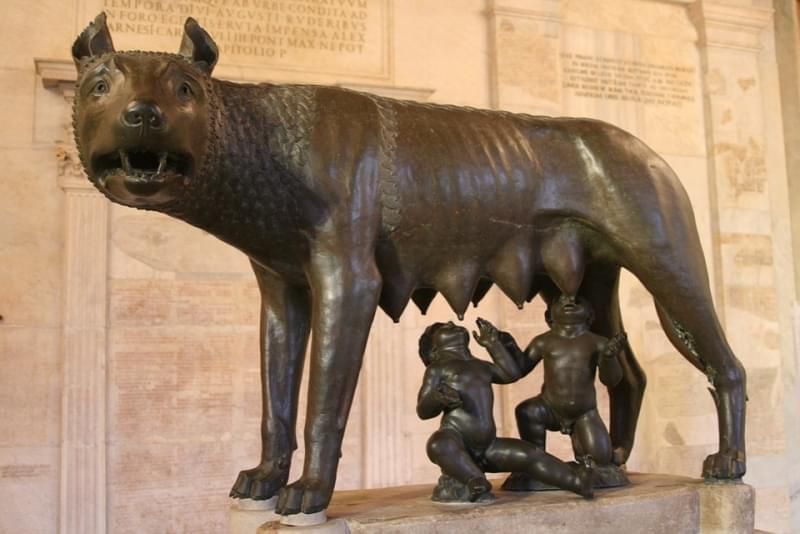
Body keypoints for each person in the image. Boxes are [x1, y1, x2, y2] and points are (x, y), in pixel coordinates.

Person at [417, 321, 593, 502]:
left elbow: (510, 374)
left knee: (530, 454)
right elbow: (423, 410)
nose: (451, 323)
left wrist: (493, 344)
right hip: (456, 438)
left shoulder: (481, 366)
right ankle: (474, 481)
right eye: (443, 328)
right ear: (434, 350)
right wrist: (437, 398)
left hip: (489, 446)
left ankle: (578, 482)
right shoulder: (437, 369)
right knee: (438, 444)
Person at [478, 296, 627, 468]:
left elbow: (612, 380)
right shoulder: (543, 341)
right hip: (549, 407)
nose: (569, 300)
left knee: (600, 460)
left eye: (578, 301)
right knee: (527, 411)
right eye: (560, 300)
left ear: (590, 315)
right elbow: (521, 368)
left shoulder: (598, 342)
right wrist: (503, 343)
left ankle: (599, 458)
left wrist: (609, 358)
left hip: (584, 412)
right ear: (549, 316)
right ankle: (535, 463)